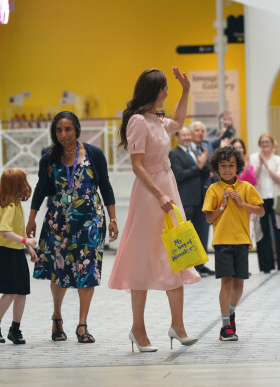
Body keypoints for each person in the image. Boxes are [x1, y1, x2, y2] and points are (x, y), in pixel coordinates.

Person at [108, 67, 200, 353]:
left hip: (167, 187)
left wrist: (186, 90)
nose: (167, 93)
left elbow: (179, 121)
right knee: (143, 257)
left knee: (177, 251)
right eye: (166, 89)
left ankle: (178, 325)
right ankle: (138, 329)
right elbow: (136, 166)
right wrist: (159, 193)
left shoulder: (157, 120)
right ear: (156, 91)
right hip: (151, 194)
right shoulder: (137, 121)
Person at [27, 110, 119, 343]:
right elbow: (40, 189)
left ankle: (82, 324)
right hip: (59, 221)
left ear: (76, 129)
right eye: (59, 130)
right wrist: (31, 218)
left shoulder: (94, 154)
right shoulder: (48, 157)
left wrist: (113, 218)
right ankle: (57, 318)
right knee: (59, 271)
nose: (63, 134)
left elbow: (105, 186)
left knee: (87, 270)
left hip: (90, 220)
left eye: (68, 129)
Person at [202, 146, 264, 341]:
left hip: (242, 241)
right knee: (226, 281)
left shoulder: (246, 187)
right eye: (223, 166)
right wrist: (223, 205)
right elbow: (209, 219)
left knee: (239, 284)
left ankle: (231, 313)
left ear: (237, 167)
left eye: (231, 165)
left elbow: (261, 211)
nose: (227, 169)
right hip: (222, 241)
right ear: (216, 168)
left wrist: (242, 204)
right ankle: (226, 325)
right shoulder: (213, 189)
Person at [0, 168, 38, 345]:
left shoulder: (16, 204)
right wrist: (26, 240)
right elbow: (5, 231)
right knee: (11, 291)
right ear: (18, 185)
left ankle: (15, 328)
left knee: (22, 291)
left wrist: (27, 247)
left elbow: (16, 230)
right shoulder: (11, 207)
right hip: (5, 253)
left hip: (15, 252)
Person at [189, 113, 236, 276]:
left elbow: (224, 138)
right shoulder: (186, 149)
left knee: (203, 231)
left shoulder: (208, 144)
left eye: (202, 131)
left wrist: (230, 128)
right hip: (190, 196)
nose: (200, 133)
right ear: (189, 133)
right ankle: (192, 266)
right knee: (192, 232)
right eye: (196, 130)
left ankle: (201, 264)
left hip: (206, 194)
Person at [168, 127, 214, 277]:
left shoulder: (195, 152)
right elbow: (179, 175)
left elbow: (203, 173)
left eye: (188, 134)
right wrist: (198, 167)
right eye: (184, 135)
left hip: (201, 199)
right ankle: (189, 267)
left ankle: (201, 265)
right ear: (177, 137)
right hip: (186, 199)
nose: (187, 137)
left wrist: (206, 167)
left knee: (202, 233)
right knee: (188, 235)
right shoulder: (173, 154)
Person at [249, 133, 280, 273]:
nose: (265, 145)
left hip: (276, 197)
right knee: (262, 230)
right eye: (263, 142)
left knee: (279, 229)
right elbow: (253, 179)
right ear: (259, 144)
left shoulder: (277, 159)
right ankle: (266, 266)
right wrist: (260, 164)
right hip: (260, 198)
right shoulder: (254, 157)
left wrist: (267, 165)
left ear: (272, 144)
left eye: (268, 142)